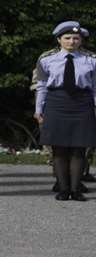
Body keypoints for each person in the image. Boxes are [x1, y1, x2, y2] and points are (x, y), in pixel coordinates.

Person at [32, 21, 94, 201]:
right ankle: (63, 188)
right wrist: (39, 109)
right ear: (59, 40)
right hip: (56, 102)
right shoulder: (46, 59)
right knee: (58, 148)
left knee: (79, 148)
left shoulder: (91, 60)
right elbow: (42, 86)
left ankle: (76, 189)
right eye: (67, 38)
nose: (72, 42)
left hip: (82, 103)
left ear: (81, 40)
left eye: (76, 38)